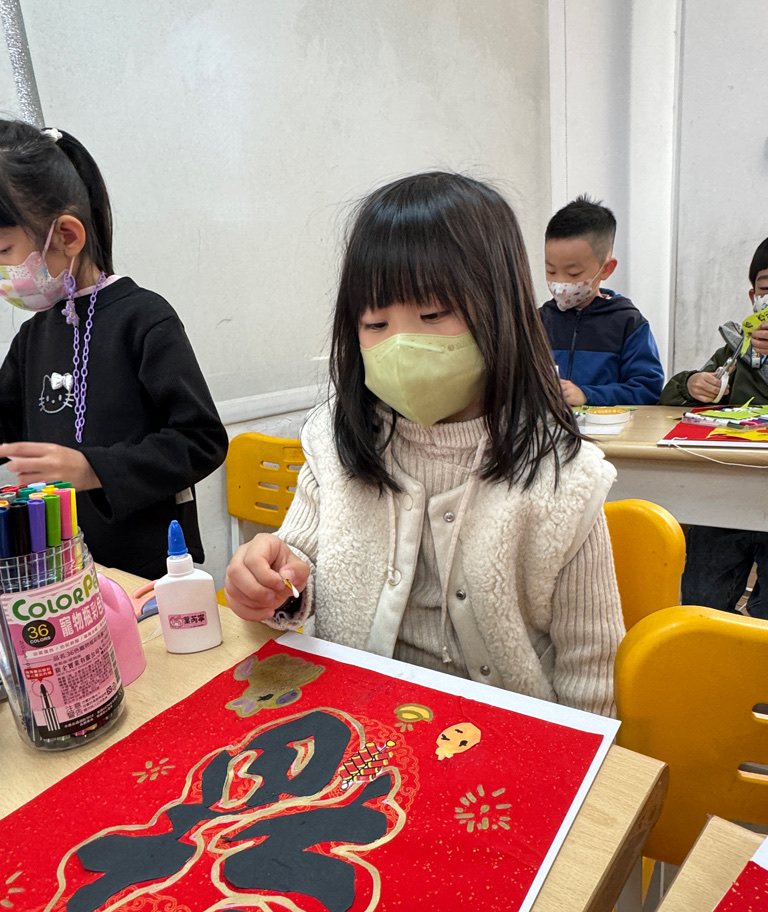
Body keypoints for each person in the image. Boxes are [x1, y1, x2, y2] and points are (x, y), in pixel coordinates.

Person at [226, 172, 624, 717]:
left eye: (433, 315)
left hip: (505, 735)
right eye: (375, 322)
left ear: (501, 310)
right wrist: (274, 582)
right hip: (357, 715)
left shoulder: (565, 476)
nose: (401, 344)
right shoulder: (335, 442)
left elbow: (592, 668)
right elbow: (303, 568)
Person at [0, 121, 227, 579]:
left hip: (151, 571)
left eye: (3, 250)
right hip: (69, 569)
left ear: (67, 235)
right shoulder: (33, 336)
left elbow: (201, 440)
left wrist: (93, 468)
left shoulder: (143, 318)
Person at [659, 237, 768, 618]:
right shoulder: (735, 350)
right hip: (726, 489)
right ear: (753, 296)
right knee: (701, 597)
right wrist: (691, 385)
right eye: (766, 289)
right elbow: (669, 398)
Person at [540, 195, 665, 407]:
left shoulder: (628, 323)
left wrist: (587, 395)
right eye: (551, 270)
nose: (560, 283)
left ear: (606, 269)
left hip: (609, 426)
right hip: (551, 425)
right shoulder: (538, 321)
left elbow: (646, 389)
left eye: (573, 273)